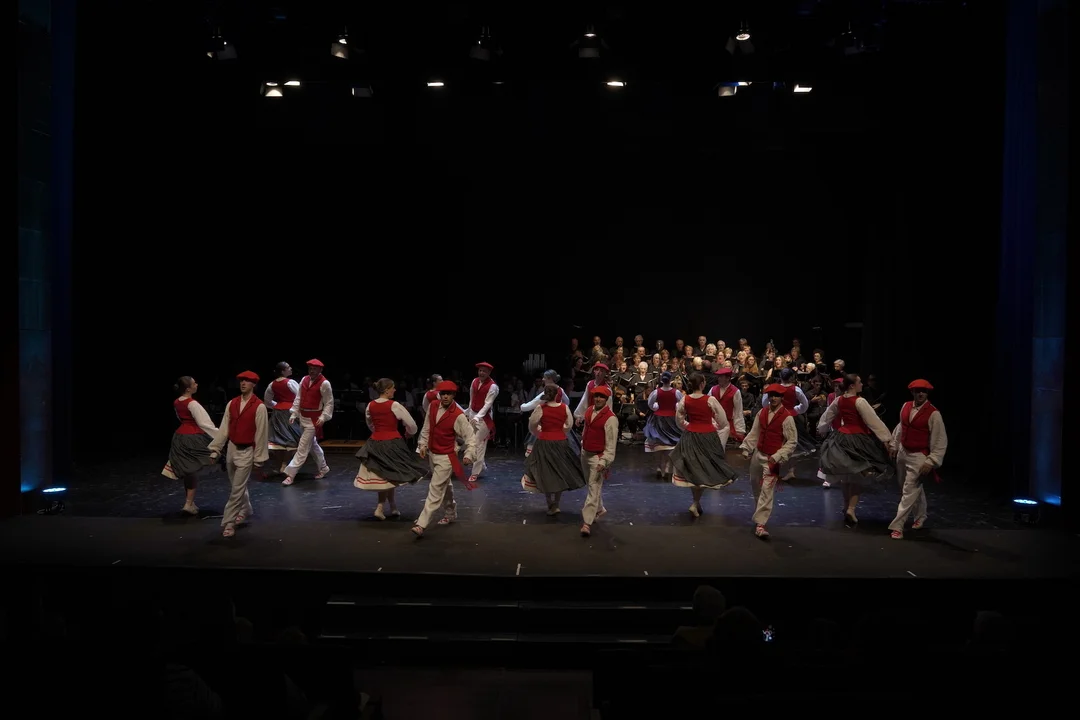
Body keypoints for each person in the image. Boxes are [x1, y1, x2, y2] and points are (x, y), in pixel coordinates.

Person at [816, 373, 896, 527]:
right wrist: (886, 438)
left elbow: (827, 416)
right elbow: (873, 421)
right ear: (852, 386)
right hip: (857, 439)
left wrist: (822, 428)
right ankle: (851, 509)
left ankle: (846, 506)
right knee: (858, 476)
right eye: (859, 382)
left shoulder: (839, 400)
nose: (862, 384)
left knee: (846, 477)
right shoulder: (860, 401)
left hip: (841, 438)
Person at [354, 378, 429, 520]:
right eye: (393, 388)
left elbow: (370, 423)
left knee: (387, 477)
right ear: (387, 389)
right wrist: (410, 432)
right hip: (391, 443)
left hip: (375, 442)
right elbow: (412, 424)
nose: (395, 390)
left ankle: (393, 506)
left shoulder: (370, 405)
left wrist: (378, 432)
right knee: (387, 476)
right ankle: (380, 507)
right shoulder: (394, 405)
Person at [670, 371, 739, 519]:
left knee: (694, 469)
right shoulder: (710, 400)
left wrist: (689, 426)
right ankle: (695, 503)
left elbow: (679, 420)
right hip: (707, 437)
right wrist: (713, 425)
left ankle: (696, 502)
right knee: (702, 470)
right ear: (702, 384)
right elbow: (723, 421)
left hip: (690, 436)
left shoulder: (685, 399)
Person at [412, 381, 478, 538]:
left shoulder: (458, 415)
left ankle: (422, 523)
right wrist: (422, 444)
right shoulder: (433, 406)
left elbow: (471, 437)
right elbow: (427, 427)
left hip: (446, 457)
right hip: (432, 453)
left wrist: (469, 454)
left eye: (449, 394)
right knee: (445, 486)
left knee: (435, 489)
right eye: (443, 393)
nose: (445, 396)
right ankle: (450, 512)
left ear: (454, 395)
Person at [208, 371, 269, 538]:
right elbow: (224, 429)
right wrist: (215, 449)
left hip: (246, 451)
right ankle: (246, 508)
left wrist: (259, 458)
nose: (243, 383)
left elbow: (261, 434)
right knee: (237, 485)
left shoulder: (259, 406)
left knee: (236, 490)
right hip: (232, 448)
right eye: (241, 380)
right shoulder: (232, 403)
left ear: (254, 384)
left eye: (247, 381)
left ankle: (229, 522)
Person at [888, 379, 948, 539]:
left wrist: (931, 460)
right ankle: (920, 516)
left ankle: (897, 526)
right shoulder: (906, 406)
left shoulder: (933, 413)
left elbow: (940, 439)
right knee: (908, 487)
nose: (921, 394)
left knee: (909, 490)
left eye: (924, 391)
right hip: (903, 452)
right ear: (912, 392)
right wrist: (894, 444)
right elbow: (901, 427)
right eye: (918, 391)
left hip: (919, 455)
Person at [740, 383, 798, 539]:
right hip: (758, 454)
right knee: (755, 485)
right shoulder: (762, 412)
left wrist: (778, 455)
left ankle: (761, 524)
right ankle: (759, 513)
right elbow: (755, 432)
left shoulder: (787, 417)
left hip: (772, 459)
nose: (773, 398)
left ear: (782, 398)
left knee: (767, 490)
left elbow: (792, 441)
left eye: (776, 395)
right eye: (771, 395)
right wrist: (746, 448)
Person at [521, 385, 586, 515]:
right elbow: (568, 425)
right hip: (560, 442)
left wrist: (539, 433)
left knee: (545, 472)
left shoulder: (541, 408)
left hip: (544, 442)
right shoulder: (564, 407)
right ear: (557, 394)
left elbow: (532, 425)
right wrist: (560, 432)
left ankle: (549, 502)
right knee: (559, 472)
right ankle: (556, 503)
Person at [162, 376, 219, 515]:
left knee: (189, 470)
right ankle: (188, 504)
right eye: (194, 383)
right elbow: (204, 423)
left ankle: (190, 502)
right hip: (193, 438)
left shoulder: (177, 402)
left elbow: (181, 418)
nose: (197, 385)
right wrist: (220, 435)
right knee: (193, 469)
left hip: (180, 437)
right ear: (188, 389)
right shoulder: (192, 404)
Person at [282, 359, 333, 486]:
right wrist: (294, 413)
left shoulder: (324, 383)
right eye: (310, 368)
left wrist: (323, 417)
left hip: (313, 420)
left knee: (303, 447)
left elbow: (329, 402)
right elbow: (298, 397)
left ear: (320, 370)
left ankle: (290, 474)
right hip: (303, 417)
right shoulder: (304, 379)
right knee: (313, 446)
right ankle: (324, 467)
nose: (312, 371)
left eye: (315, 369)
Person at [579, 385, 618, 537]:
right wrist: (583, 444)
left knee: (593, 487)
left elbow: (611, 444)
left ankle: (587, 522)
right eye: (596, 396)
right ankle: (600, 508)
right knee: (591, 485)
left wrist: (604, 461)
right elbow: (586, 430)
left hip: (598, 457)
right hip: (585, 453)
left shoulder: (610, 418)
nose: (598, 399)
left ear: (606, 399)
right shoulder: (589, 411)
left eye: (601, 397)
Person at [263, 361, 303, 476]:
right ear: (283, 371)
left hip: (277, 413)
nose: (291, 369)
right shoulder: (290, 382)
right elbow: (300, 397)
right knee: (292, 439)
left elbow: (267, 401)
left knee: (279, 440)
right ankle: (285, 464)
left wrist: (277, 405)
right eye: (288, 367)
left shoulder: (272, 384)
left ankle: (279, 465)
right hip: (290, 413)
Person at [644, 371, 682, 477]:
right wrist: (675, 408)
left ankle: (659, 467)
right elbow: (681, 404)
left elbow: (650, 404)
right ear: (670, 381)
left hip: (659, 419)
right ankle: (668, 468)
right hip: (671, 420)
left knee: (658, 443)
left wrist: (657, 407)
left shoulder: (656, 392)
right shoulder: (676, 392)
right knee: (670, 444)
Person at [466, 362, 499, 483]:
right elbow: (471, 398)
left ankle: (475, 472)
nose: (481, 373)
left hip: (484, 418)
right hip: (473, 414)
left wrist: (478, 417)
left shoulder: (493, 387)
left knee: (479, 444)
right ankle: (481, 464)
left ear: (489, 373)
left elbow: (488, 404)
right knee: (471, 441)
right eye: (480, 370)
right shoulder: (474, 381)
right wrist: (469, 412)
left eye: (484, 371)